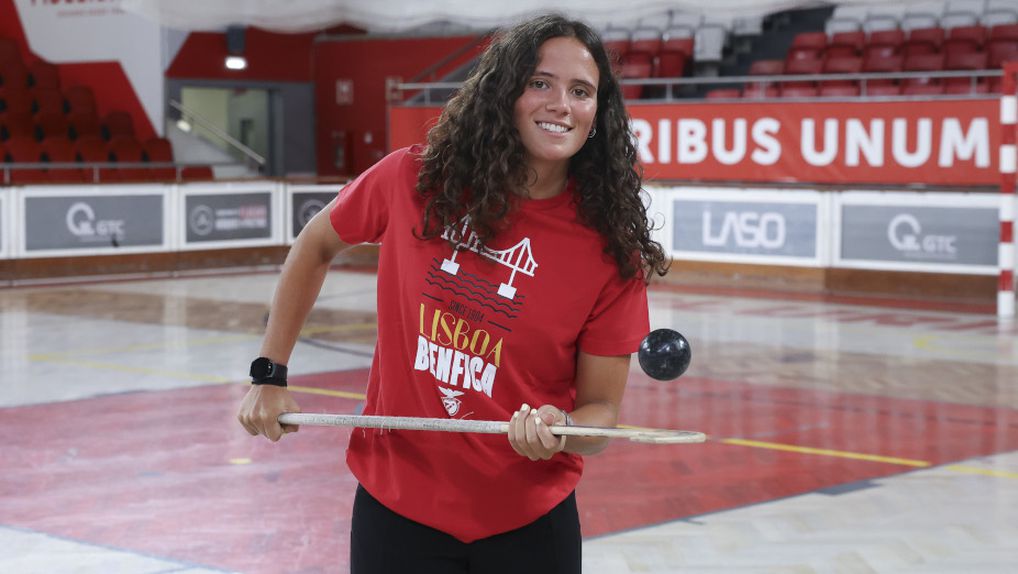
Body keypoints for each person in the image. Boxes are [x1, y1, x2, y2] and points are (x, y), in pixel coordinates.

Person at [237, 13, 669, 573]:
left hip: (528, 523)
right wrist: (269, 374)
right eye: (540, 82)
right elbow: (314, 245)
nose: (561, 103)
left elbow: (601, 414)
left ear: (598, 115)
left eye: (581, 91)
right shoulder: (413, 181)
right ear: (503, 92)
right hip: (398, 509)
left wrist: (562, 431)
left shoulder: (610, 252)